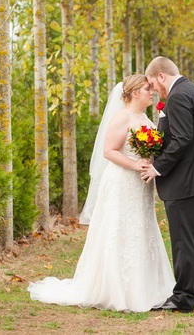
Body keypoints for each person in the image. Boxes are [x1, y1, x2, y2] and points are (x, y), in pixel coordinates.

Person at [27, 74, 174, 311]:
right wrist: (136, 164)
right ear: (135, 92)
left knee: (141, 227)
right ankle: (116, 289)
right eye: (148, 89)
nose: (152, 92)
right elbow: (109, 151)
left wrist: (150, 162)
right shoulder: (122, 118)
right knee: (119, 229)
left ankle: (145, 286)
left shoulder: (144, 116)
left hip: (141, 184)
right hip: (122, 181)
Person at [141, 57, 194, 313]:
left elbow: (183, 139)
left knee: (185, 241)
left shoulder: (178, 96)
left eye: (152, 83)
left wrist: (158, 166)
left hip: (184, 181)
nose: (153, 90)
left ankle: (184, 298)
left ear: (161, 76)